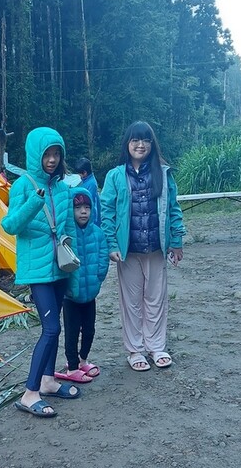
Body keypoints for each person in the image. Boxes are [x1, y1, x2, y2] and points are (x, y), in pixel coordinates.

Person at [1, 127, 81, 418]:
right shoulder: (22, 185)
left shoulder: (62, 187)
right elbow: (10, 226)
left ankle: (48, 381)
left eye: (56, 153)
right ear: (36, 154)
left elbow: (69, 228)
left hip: (59, 267)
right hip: (37, 271)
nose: (52, 159)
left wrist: (73, 260)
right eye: (47, 153)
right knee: (51, 329)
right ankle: (29, 392)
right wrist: (35, 202)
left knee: (55, 324)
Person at [100, 121, 186, 371]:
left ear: (152, 144)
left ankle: (156, 346)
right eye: (135, 140)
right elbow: (107, 212)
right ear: (127, 144)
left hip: (157, 248)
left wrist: (176, 241)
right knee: (132, 302)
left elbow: (173, 209)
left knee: (156, 299)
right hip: (128, 250)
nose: (140, 145)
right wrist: (111, 244)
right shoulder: (115, 176)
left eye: (146, 140)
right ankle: (135, 350)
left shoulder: (163, 173)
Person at [55, 187, 109, 383]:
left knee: (89, 329)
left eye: (87, 207)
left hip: (90, 293)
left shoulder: (97, 233)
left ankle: (83, 359)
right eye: (78, 208)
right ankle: (72, 366)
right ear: (71, 211)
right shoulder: (67, 234)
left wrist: (98, 277)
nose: (83, 211)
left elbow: (103, 256)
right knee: (71, 331)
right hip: (71, 295)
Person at [75, 157, 101, 226]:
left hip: (92, 219)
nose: (78, 175)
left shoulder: (91, 184)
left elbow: (91, 203)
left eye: (79, 173)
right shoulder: (85, 181)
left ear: (85, 173)